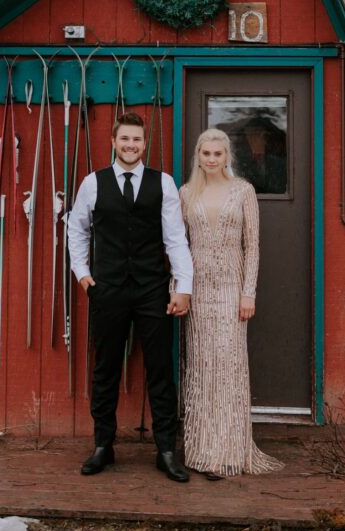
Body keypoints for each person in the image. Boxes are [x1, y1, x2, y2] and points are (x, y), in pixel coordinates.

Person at [68, 111, 193, 482]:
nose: (131, 145)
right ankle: (103, 447)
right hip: (107, 290)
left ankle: (166, 450)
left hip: (153, 289)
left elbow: (175, 239)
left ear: (144, 144)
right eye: (125, 139)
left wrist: (182, 286)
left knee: (160, 370)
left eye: (137, 140)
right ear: (114, 141)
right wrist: (84, 275)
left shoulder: (163, 183)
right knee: (105, 368)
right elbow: (77, 232)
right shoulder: (93, 183)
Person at [179, 128, 282, 479]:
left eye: (217, 154)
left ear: (227, 157)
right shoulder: (186, 193)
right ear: (198, 156)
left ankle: (229, 449)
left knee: (228, 365)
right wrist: (178, 288)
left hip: (230, 290)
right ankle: (201, 449)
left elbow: (252, 245)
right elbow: (178, 247)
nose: (211, 160)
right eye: (205, 154)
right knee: (202, 366)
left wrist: (248, 292)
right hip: (197, 290)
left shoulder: (243, 191)